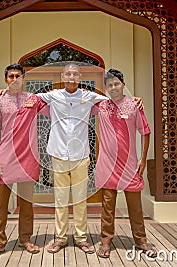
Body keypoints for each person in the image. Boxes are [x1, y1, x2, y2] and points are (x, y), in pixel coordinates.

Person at [35, 63, 109, 254]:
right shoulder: (53, 95)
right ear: (62, 75)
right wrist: (4, 92)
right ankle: (60, 238)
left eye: (75, 74)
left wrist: (134, 100)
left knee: (79, 200)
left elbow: (112, 101)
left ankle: (81, 238)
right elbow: (28, 99)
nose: (71, 77)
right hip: (58, 154)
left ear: (80, 76)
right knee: (60, 200)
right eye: (68, 74)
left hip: (81, 156)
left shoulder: (89, 96)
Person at [0, 63, 48, 261]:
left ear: (23, 78)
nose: (14, 79)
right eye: (11, 76)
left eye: (18, 76)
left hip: (28, 158)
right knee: (0, 205)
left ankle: (25, 239)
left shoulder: (33, 100)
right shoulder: (0, 101)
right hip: (6, 158)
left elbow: (58, 104)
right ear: (6, 80)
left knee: (26, 204)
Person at [93, 69, 157, 258]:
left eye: (116, 84)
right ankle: (105, 242)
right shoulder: (101, 106)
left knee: (135, 207)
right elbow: (74, 100)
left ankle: (141, 241)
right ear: (106, 88)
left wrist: (143, 159)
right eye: (110, 85)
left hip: (130, 166)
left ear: (123, 84)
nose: (113, 87)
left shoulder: (133, 106)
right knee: (107, 206)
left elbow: (145, 132)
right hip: (107, 166)